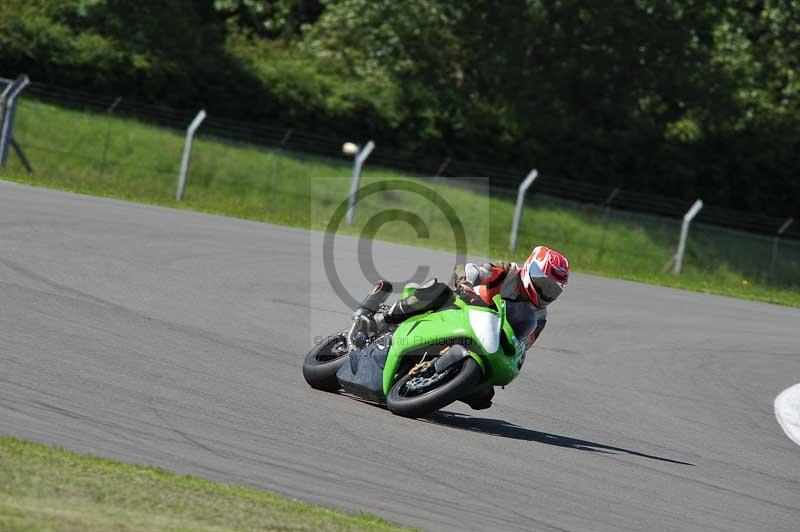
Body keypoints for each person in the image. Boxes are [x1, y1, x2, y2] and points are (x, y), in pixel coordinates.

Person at [364, 245, 570, 409]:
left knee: (484, 398)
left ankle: (433, 382)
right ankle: (384, 318)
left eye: (553, 289)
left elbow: (523, 345)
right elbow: (468, 269)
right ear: (529, 267)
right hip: (464, 309)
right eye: (543, 282)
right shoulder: (507, 271)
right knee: (440, 291)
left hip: (489, 338)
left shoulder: (540, 317)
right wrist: (465, 283)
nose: (546, 291)